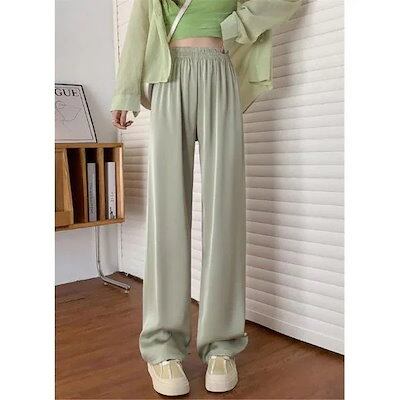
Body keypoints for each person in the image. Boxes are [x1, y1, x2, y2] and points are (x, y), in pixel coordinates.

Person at [111, 0, 302, 396]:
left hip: (219, 70)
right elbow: (141, 25)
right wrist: (125, 91)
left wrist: (237, 25)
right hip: (169, 76)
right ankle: (163, 346)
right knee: (167, 214)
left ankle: (222, 344)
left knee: (224, 211)